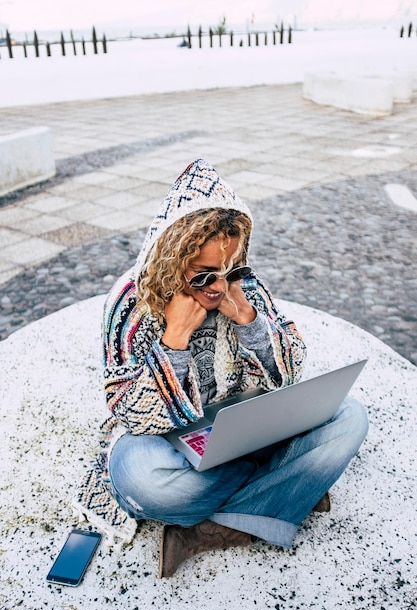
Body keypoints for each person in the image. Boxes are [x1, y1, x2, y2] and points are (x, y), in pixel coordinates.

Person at [75, 158, 368, 578]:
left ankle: (212, 525)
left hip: (245, 427)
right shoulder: (130, 304)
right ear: (171, 261)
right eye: (203, 276)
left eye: (230, 270)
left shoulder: (241, 285)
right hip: (171, 442)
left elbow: (290, 373)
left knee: (350, 416)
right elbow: (129, 411)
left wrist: (249, 319)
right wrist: (173, 340)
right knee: (139, 478)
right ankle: (281, 490)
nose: (219, 287)